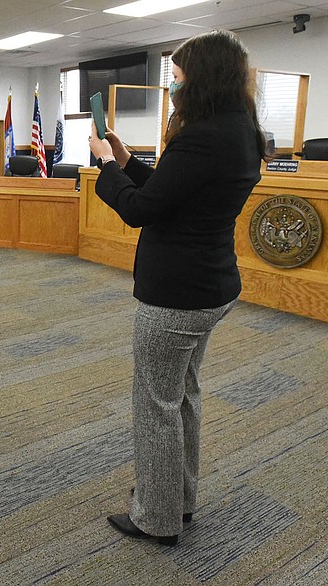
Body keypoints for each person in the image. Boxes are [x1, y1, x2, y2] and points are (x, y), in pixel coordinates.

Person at [88, 30, 267, 546]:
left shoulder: (202, 136)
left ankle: (156, 517)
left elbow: (143, 211)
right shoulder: (238, 130)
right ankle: (178, 499)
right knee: (181, 395)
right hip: (210, 288)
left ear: (202, 79)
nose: (175, 86)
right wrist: (124, 162)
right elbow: (174, 194)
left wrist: (102, 165)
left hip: (175, 296)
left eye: (180, 77)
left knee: (157, 404)